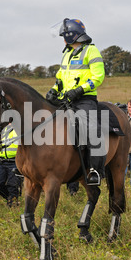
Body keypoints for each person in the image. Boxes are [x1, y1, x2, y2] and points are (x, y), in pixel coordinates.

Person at [46, 18, 106, 186]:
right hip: (66, 99)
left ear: (72, 36)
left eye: (64, 36)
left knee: (92, 129)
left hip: (84, 99)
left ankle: (95, 170)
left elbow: (98, 77)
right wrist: (54, 90)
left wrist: (80, 90)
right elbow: (61, 77)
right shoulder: (66, 53)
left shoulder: (91, 51)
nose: (63, 39)